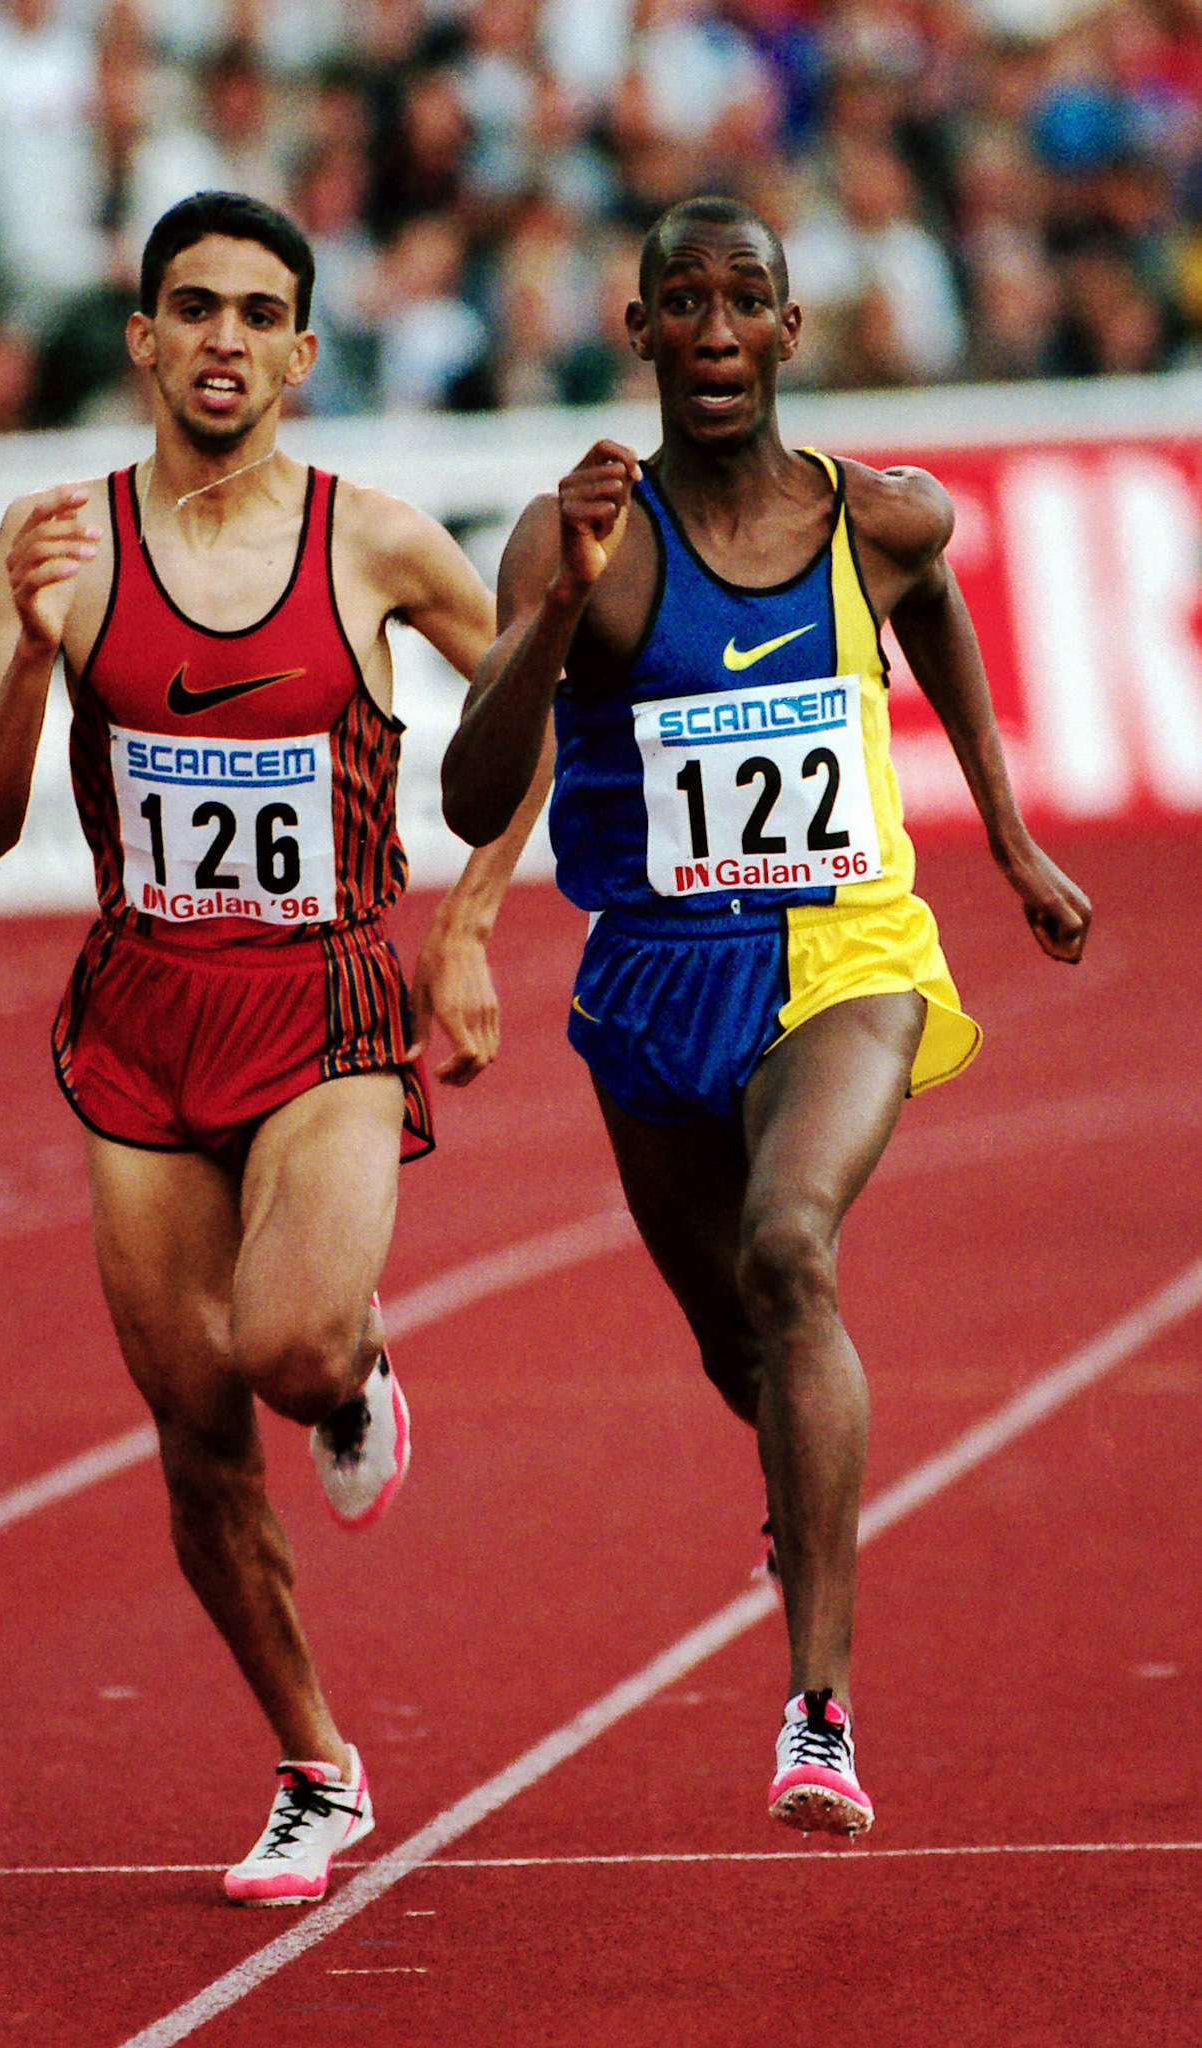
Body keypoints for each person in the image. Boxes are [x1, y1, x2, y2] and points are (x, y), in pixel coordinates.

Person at [441, 193, 1091, 1838]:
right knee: (742, 1342)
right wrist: (549, 611)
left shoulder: (879, 516)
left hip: (848, 947)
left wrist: (1007, 834)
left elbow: (931, 592)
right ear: (642, 328)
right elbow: (468, 792)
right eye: (686, 302)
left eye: (748, 302)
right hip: (654, 972)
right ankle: (790, 1484)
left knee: (792, 1251)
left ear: (793, 332)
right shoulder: (577, 531)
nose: (718, 331)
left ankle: (817, 1713)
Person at [0, 190, 548, 1904]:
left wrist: (469, 925)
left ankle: (356, 1374)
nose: (223, 338)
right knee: (198, 1430)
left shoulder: (376, 541)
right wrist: (25, 657)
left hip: (324, 1005)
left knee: (286, 1348)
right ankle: (318, 1766)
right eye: (190, 307)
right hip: (139, 1016)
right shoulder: (56, 536)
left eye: (257, 312)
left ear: (302, 349)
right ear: (142, 338)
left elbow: (527, 713)